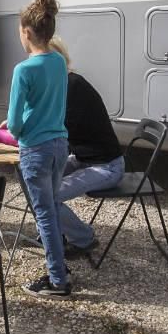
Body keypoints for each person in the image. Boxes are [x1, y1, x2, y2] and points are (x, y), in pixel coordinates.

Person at [0, 0, 71, 299]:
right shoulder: (58, 61)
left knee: (43, 214)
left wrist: (13, 127)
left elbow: (15, 124)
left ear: (27, 32)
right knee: (52, 208)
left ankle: (58, 279)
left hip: (36, 150)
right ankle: (60, 269)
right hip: (59, 144)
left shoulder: (23, 70)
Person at [46, 36, 123, 257]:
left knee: (48, 195)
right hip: (83, 159)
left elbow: (57, 132)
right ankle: (53, 229)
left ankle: (83, 239)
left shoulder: (72, 87)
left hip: (107, 166)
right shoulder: (62, 84)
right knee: (39, 186)